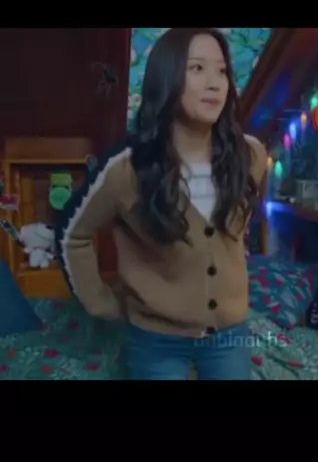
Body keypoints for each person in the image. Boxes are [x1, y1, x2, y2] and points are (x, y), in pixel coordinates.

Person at [55, 27, 267, 380]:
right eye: (197, 68)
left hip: (230, 336)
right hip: (157, 341)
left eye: (222, 71)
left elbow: (238, 226)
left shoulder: (252, 156)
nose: (215, 83)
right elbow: (71, 235)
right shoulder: (126, 168)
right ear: (167, 77)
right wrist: (100, 302)